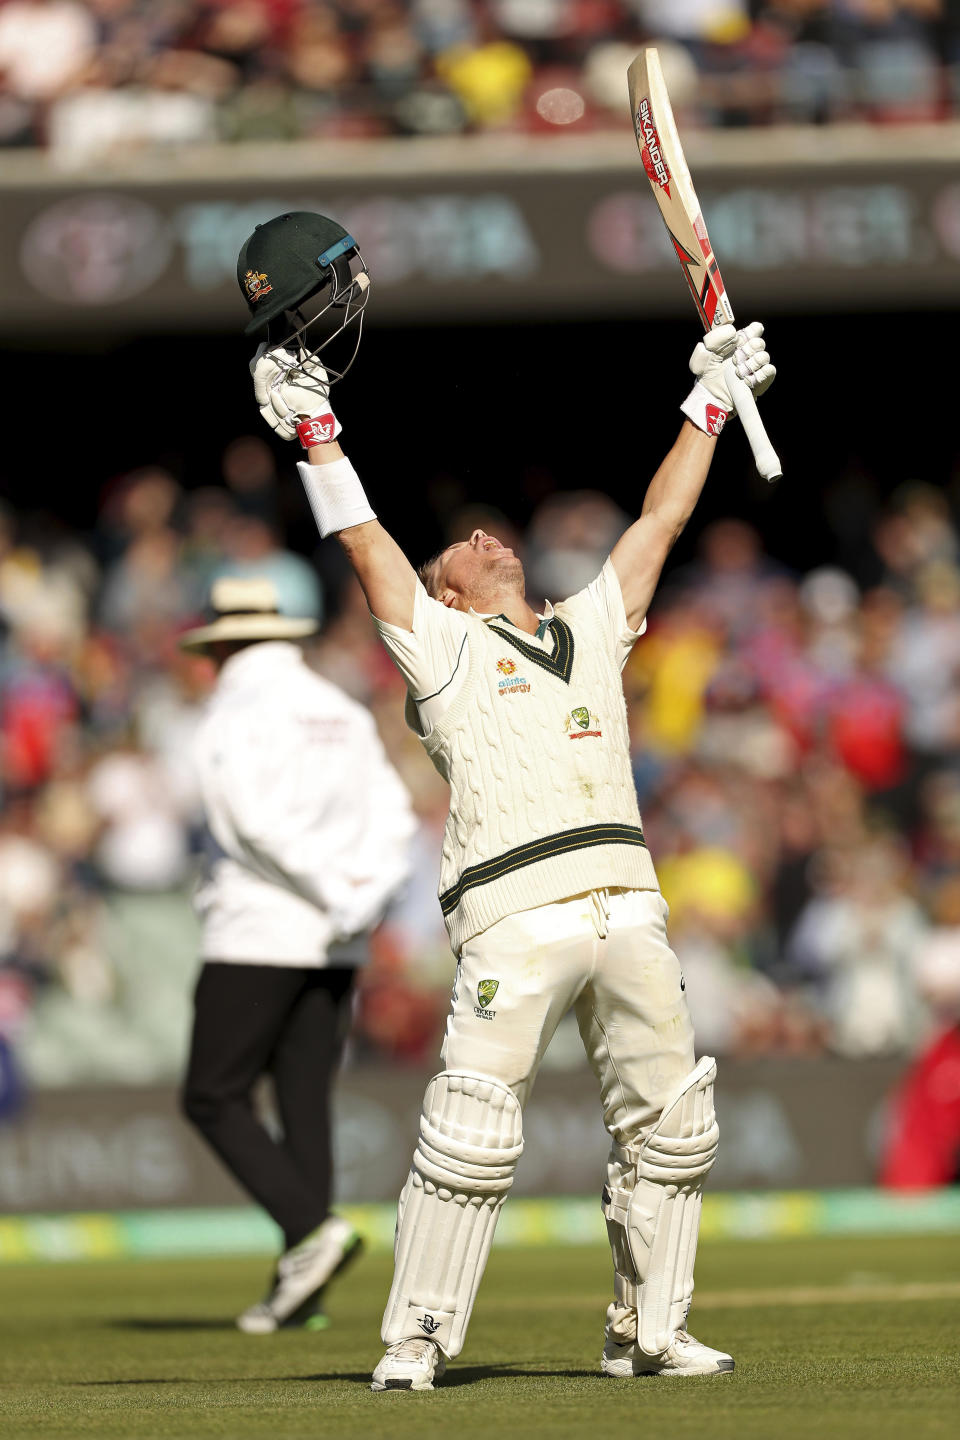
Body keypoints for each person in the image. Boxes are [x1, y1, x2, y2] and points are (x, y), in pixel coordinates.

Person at [239, 210, 775, 1389]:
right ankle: (417, 1340)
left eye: (485, 537)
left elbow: (662, 520)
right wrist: (319, 435)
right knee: (472, 1133)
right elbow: (374, 548)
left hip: (625, 898)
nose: (483, 538)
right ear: (448, 594)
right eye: (464, 548)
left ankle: (651, 1330)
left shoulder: (588, 629)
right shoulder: (438, 650)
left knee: (674, 1122)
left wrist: (712, 398)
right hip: (513, 913)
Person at [179, 575, 415, 1333]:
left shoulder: (232, 711)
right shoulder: (340, 711)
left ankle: (310, 1231)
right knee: (303, 1098)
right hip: (337, 934)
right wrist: (362, 895)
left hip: (258, 928)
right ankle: (301, 1283)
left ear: (222, 647)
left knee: (212, 1094)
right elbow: (396, 816)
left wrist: (325, 887)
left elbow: (245, 824)